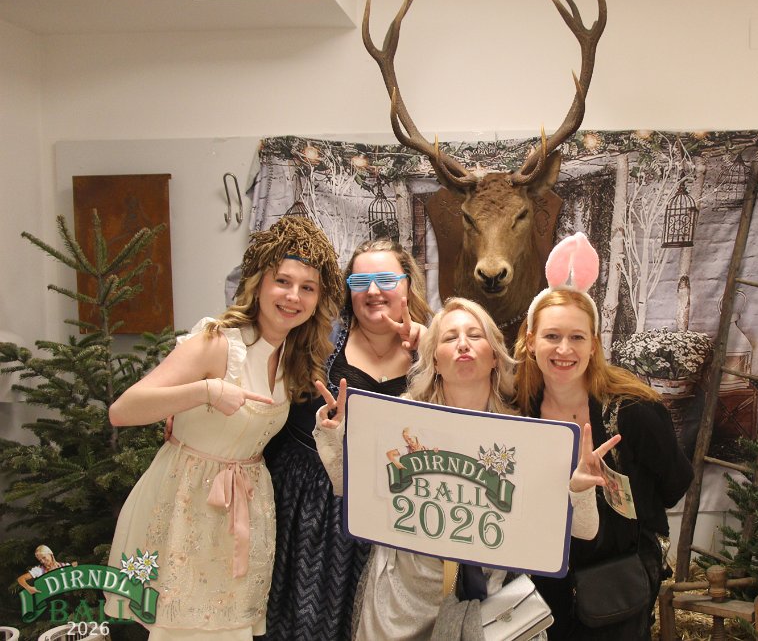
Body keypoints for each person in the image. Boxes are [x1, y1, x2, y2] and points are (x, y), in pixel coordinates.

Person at [313, 297, 619, 641]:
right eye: (449, 337)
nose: (462, 344)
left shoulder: (523, 432)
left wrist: (579, 489)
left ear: (494, 356)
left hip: (490, 608)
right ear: (434, 360)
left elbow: (584, 531)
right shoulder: (400, 418)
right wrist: (335, 436)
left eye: (475, 335)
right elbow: (349, 491)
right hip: (402, 603)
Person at [104, 215, 342, 640]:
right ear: (259, 283)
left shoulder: (295, 357)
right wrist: (207, 391)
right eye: (283, 282)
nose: (293, 296)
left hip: (245, 511)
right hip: (182, 504)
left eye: (307, 288)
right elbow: (122, 410)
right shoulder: (217, 342)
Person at [514, 232, 695, 640]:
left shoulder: (633, 412)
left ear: (594, 345)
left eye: (577, 337)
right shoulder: (518, 408)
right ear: (531, 340)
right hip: (544, 576)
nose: (564, 349)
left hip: (618, 578)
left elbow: (674, 484)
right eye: (552, 336)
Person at [263, 238, 431, 641]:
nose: (373, 291)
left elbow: (489, 394)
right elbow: (247, 361)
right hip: (311, 503)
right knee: (307, 623)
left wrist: (431, 345)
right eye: (360, 282)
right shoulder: (314, 336)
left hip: (394, 509)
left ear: (408, 286)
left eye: (386, 280)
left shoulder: (437, 347)